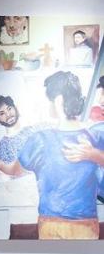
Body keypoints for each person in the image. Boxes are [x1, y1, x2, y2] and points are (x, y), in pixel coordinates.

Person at [7, 71, 104, 239]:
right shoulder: (96, 136)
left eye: (49, 101)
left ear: (58, 101)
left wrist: (2, 166)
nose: (49, 106)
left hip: (51, 223)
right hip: (87, 224)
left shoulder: (40, 140)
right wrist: (96, 155)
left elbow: (16, 170)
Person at [0, 95, 40, 179]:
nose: (8, 115)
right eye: (2, 113)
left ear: (16, 108)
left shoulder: (35, 130)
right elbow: (7, 179)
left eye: (9, 109)